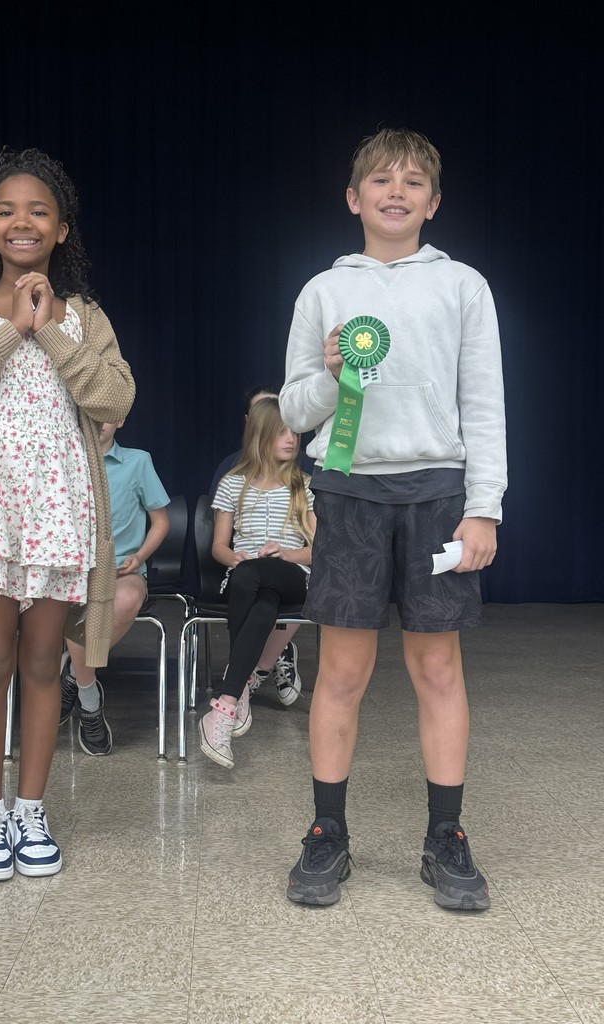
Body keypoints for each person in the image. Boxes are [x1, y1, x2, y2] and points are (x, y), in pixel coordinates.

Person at [279, 127, 507, 912]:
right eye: (382, 180)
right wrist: (335, 367)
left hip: (440, 494)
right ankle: (326, 834)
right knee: (342, 672)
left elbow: (484, 404)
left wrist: (485, 508)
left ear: (433, 203)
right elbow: (298, 408)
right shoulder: (322, 291)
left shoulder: (464, 287)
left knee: (438, 670)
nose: (397, 191)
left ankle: (446, 837)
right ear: (355, 198)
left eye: (414, 182)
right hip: (348, 492)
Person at [0, 146, 135, 883]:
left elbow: (114, 399)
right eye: (7, 211)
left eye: (39, 211)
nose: (23, 222)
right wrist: (10, 325)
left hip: (59, 511)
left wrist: (47, 329)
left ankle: (31, 808)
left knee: (46, 662)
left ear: (61, 230)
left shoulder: (85, 316)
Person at [200, 396, 316, 769]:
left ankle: (228, 690)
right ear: (260, 436)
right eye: (281, 432)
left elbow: (317, 551)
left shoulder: (303, 485)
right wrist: (235, 557)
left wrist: (285, 553)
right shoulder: (233, 485)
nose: (291, 439)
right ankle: (231, 700)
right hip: (248, 579)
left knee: (255, 577)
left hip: (294, 575)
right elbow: (219, 546)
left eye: (295, 432)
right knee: (260, 597)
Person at [59, 418, 170, 755]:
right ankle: (89, 697)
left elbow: (161, 521)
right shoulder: (63, 458)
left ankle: (73, 674)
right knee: (77, 610)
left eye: (105, 415)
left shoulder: (138, 461)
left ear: (121, 419)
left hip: (122, 569)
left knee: (126, 601)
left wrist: (139, 556)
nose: (96, 422)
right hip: (70, 571)